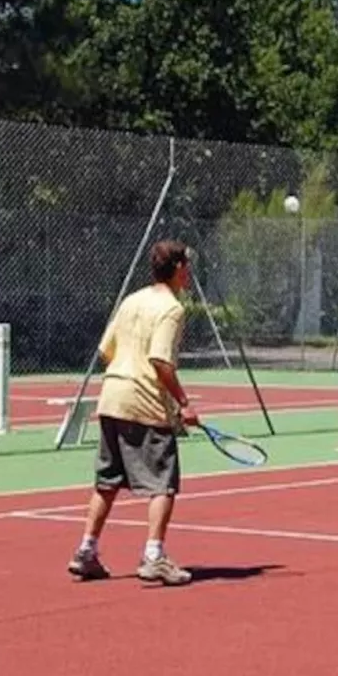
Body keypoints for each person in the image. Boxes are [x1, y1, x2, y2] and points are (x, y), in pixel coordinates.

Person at [67, 240, 201, 586]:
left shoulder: (131, 300)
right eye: (186, 265)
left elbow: (107, 351)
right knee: (163, 483)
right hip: (143, 403)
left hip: (112, 398)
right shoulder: (172, 308)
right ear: (177, 268)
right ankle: (154, 557)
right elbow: (160, 360)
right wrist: (183, 403)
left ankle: (86, 551)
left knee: (107, 481)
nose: (189, 271)